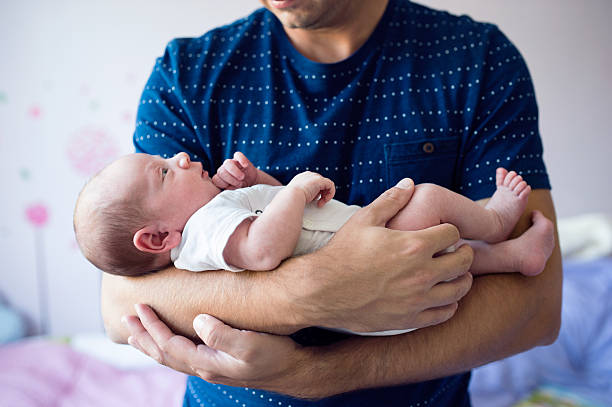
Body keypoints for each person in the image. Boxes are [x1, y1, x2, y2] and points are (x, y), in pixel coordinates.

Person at [102, 0, 562, 405]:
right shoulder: (189, 73)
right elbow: (122, 302)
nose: (178, 163)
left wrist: (318, 374)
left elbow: (535, 309)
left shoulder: (473, 59)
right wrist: (312, 293)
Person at [75, 150, 552, 283]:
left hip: (377, 266)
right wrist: (299, 188)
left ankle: (512, 258)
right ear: (158, 238)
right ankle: (495, 221)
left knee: (442, 254)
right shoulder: (201, 231)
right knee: (425, 202)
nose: (180, 157)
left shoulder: (210, 222)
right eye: (162, 174)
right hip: (369, 266)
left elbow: (279, 220)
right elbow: (265, 249)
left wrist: (257, 181)